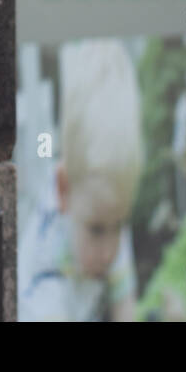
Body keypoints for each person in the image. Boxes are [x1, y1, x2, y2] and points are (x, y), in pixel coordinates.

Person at [19, 39, 143, 321]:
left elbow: (125, 299)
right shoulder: (43, 285)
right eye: (97, 230)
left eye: (120, 224)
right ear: (63, 191)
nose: (109, 252)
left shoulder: (102, 206)